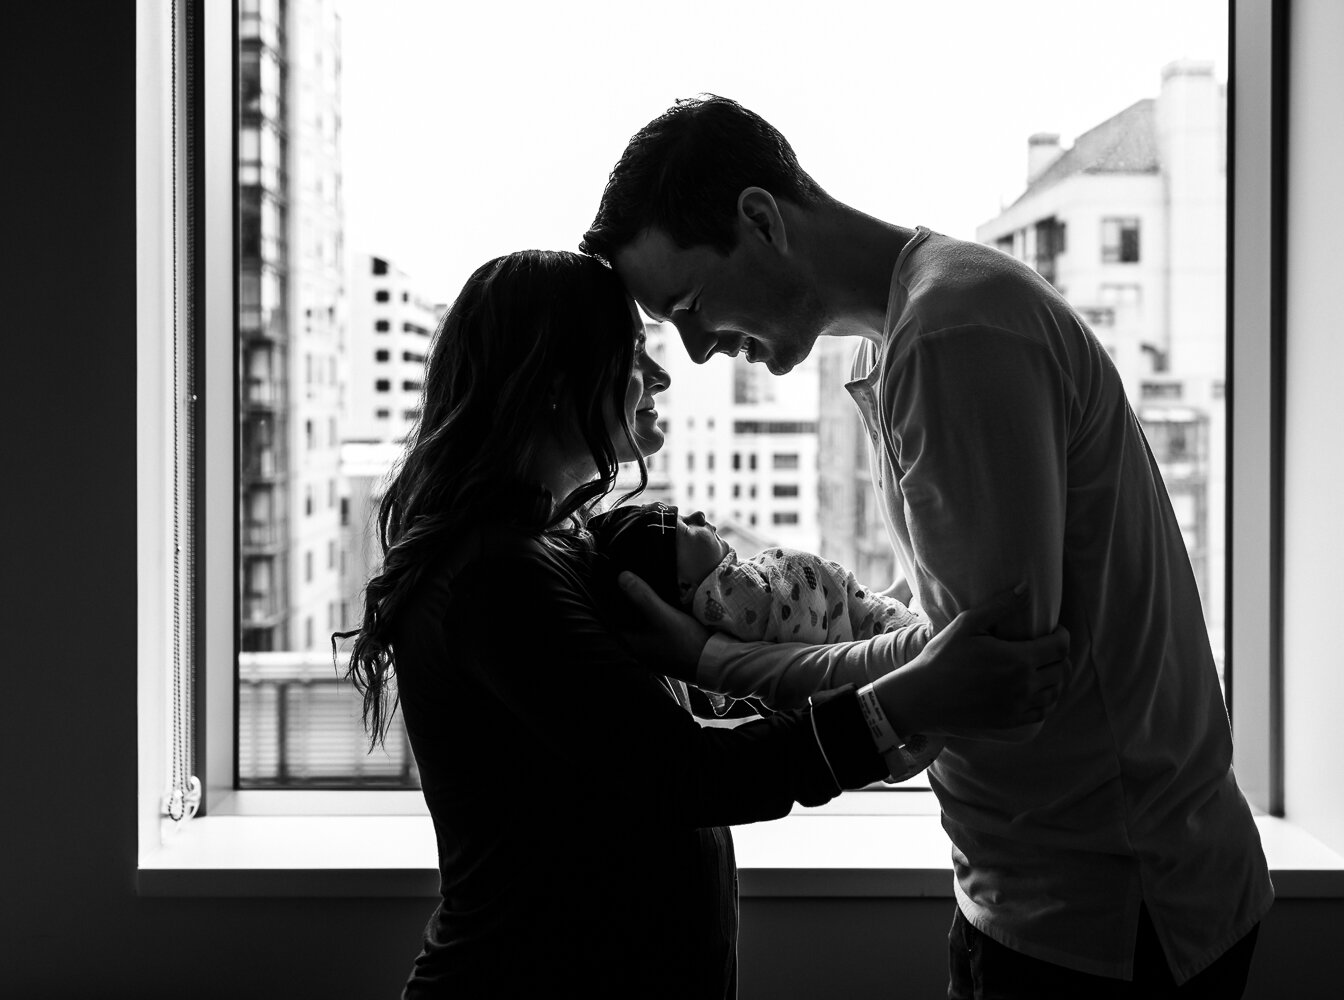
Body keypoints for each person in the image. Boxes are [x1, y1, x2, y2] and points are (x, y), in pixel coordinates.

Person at [580, 95, 1273, 996]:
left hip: (1109, 912)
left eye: (690, 304)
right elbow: (952, 635)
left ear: (759, 219)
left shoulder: (952, 334)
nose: (701, 351)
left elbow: (991, 671)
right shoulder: (925, 328)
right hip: (1065, 890)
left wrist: (719, 659)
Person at [338, 249, 1068, 998]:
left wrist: (879, 668)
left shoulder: (561, 544)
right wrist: (905, 704)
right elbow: (682, 772)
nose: (658, 376)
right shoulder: (495, 578)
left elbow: (659, 733)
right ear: (553, 382)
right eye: (631, 354)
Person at [588, 500, 943, 779]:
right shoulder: (727, 599)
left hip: (868, 619)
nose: (698, 515)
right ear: (682, 588)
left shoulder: (724, 607)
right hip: (887, 641)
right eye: (684, 526)